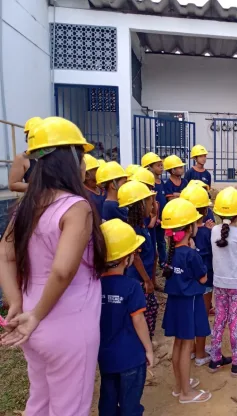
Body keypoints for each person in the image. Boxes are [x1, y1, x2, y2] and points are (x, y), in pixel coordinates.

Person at [0, 117, 106, 415]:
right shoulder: (76, 207)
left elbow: (5, 254)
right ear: (70, 159)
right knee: (69, 407)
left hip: (30, 324)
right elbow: (62, 271)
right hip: (66, 326)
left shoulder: (27, 204)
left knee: (40, 401)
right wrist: (36, 315)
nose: (86, 164)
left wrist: (18, 304)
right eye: (82, 156)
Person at [98, 219, 154, 416]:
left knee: (108, 401)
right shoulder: (131, 287)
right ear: (126, 259)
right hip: (131, 358)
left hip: (105, 357)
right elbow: (138, 321)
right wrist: (149, 350)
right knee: (130, 405)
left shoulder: (94, 286)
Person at [161, 198, 212, 404]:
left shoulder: (171, 253)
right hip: (189, 303)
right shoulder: (192, 255)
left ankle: (179, 385)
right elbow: (203, 279)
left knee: (178, 344)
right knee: (185, 346)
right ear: (190, 228)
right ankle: (186, 393)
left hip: (175, 303)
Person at [209, 187, 237, 377]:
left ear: (217, 212)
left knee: (219, 320)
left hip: (219, 284)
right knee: (235, 323)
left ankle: (215, 359)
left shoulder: (213, 232)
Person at [118, 180, 158, 340]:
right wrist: (147, 280)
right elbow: (136, 258)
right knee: (143, 312)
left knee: (150, 309)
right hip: (138, 280)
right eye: (150, 202)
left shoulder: (142, 225)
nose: (152, 205)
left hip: (145, 278)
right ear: (140, 205)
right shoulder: (133, 230)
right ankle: (140, 342)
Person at [180, 184, 215, 367]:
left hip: (188, 283)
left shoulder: (182, 236)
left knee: (192, 314)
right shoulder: (207, 233)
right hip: (205, 281)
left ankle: (193, 349)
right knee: (202, 316)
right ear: (204, 210)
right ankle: (201, 352)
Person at [142, 152, 167, 275]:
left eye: (161, 165)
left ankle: (163, 261)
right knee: (152, 243)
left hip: (160, 218)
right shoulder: (148, 186)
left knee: (161, 241)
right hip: (152, 219)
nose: (161, 167)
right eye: (158, 165)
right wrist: (154, 217)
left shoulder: (161, 183)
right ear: (149, 168)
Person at [8, 116, 42, 192]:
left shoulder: (51, 155)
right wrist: (40, 188)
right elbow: (13, 184)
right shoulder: (22, 158)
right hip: (36, 201)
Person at [83, 154, 105, 218]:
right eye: (96, 169)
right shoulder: (84, 194)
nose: (100, 171)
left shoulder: (101, 190)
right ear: (87, 175)